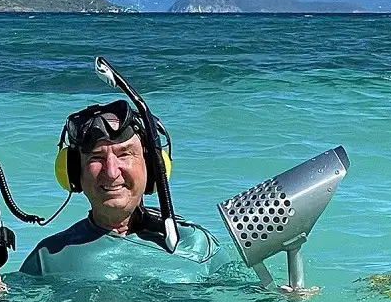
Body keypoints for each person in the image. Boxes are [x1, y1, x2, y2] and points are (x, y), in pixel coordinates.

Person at [14, 99, 231, 282]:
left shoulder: (198, 245)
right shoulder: (49, 259)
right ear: (73, 173)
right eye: (96, 158)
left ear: (154, 168)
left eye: (124, 154)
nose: (111, 172)